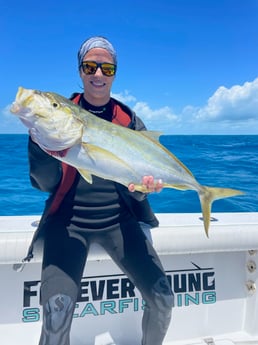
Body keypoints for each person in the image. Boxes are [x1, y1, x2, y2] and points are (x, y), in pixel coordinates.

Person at [26, 36, 174, 345]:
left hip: (120, 223)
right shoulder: (58, 116)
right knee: (57, 312)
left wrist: (143, 190)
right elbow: (45, 184)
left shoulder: (130, 120)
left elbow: (137, 189)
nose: (98, 75)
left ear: (115, 73)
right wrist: (41, 143)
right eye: (90, 66)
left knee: (162, 300)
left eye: (106, 68)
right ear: (80, 71)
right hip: (67, 225)